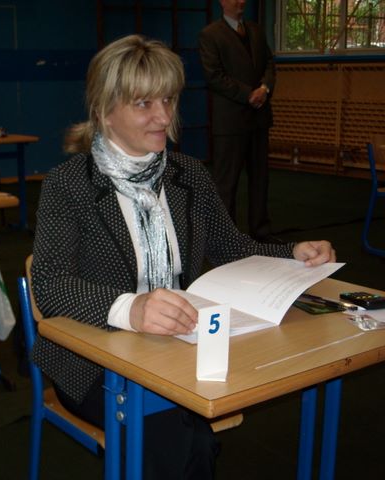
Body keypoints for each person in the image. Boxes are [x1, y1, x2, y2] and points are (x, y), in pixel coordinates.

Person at [30, 34, 335, 479]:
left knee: (189, 438)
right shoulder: (68, 184)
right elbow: (51, 285)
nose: (164, 117)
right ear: (104, 111)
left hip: (180, 346)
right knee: (181, 443)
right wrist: (133, 308)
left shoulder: (188, 174)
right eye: (144, 104)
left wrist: (293, 253)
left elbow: (232, 248)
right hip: (94, 359)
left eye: (169, 99)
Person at [199, 0, 276, 242]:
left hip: (259, 118)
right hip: (230, 121)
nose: (240, 1)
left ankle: (261, 232)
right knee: (226, 183)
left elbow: (269, 64)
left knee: (260, 179)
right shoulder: (210, 34)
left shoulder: (256, 30)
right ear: (222, 2)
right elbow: (213, 75)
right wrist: (248, 94)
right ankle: (226, 238)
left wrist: (264, 88)